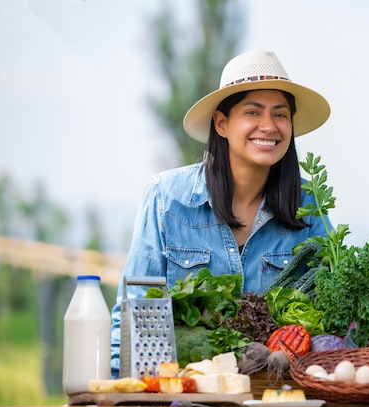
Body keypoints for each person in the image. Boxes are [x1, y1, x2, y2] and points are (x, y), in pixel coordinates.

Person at [110, 51, 332, 377]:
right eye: (253, 112)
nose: (268, 126)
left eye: (280, 114)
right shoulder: (165, 199)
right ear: (222, 123)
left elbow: (336, 319)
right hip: (184, 402)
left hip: (277, 401)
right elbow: (131, 317)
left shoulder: (311, 206)